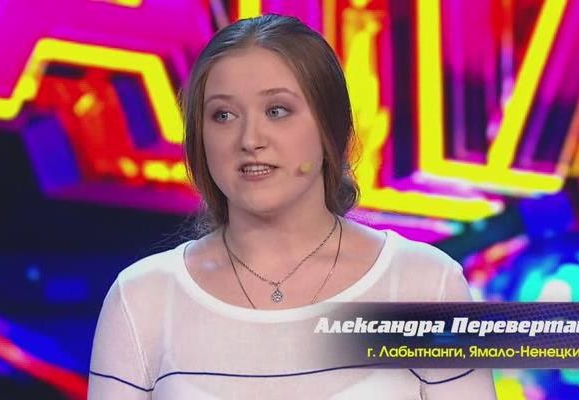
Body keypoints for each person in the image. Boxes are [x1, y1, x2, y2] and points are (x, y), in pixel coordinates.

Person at [89, 14, 497, 399]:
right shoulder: (142, 297)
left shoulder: (423, 282)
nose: (250, 139)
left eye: (277, 111)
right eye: (223, 115)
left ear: (330, 126)